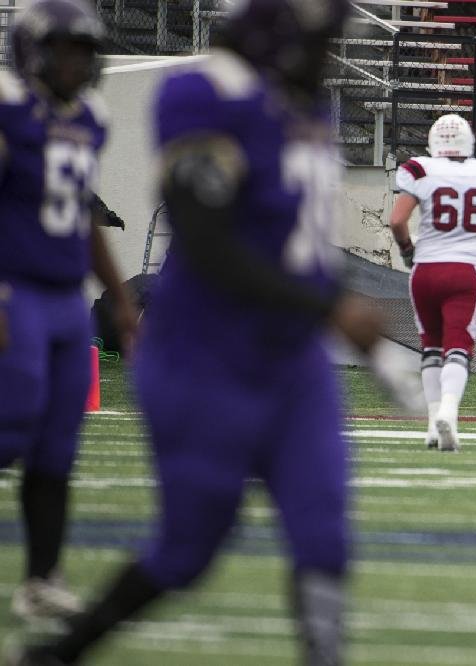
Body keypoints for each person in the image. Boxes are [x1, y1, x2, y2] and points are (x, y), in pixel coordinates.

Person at [9, 0, 412, 663]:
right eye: (321, 37)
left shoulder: (307, 111)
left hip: (292, 360)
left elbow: (295, 248)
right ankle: (62, 653)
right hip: (205, 357)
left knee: (323, 529)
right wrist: (329, 309)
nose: (330, 53)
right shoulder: (205, 92)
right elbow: (205, 234)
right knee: (187, 550)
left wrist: (334, 309)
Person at [0, 0, 137, 625]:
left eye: (84, 50)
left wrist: (124, 301)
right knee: (13, 421)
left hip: (63, 302)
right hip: (15, 291)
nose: (75, 62)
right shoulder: (10, 113)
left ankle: (41, 579)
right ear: (32, 51)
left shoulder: (87, 118)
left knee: (57, 448)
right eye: (63, 49)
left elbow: (83, 219)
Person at [389, 113, 476, 452]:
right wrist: (474, 239)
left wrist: (407, 249)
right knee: (458, 348)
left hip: (426, 270)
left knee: (430, 346)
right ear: (469, 141)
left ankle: (433, 424)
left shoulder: (420, 169)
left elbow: (397, 220)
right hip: (465, 271)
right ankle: (449, 410)